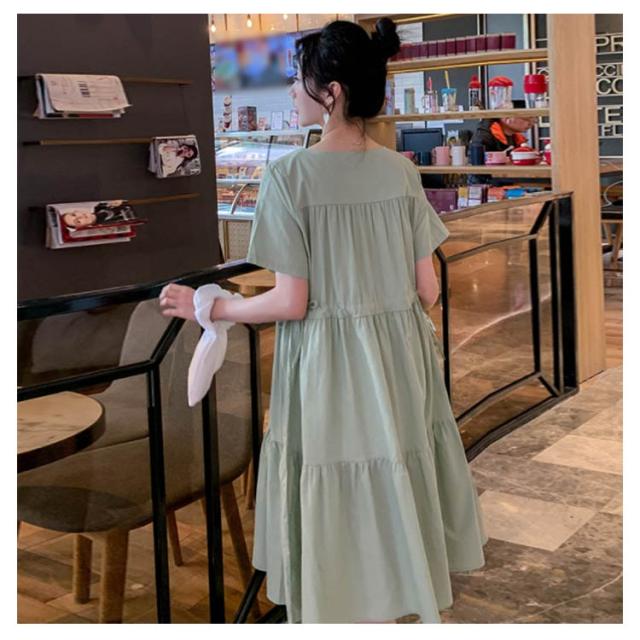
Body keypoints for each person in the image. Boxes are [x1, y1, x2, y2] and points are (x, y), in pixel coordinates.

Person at [159, 18, 487, 624]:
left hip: (327, 363)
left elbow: (291, 301)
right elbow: (428, 289)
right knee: (396, 467)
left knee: (333, 477)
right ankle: (395, 596)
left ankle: (340, 603)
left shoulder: (290, 175)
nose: (291, 91)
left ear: (330, 91)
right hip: (399, 356)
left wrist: (214, 306)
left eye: (298, 79)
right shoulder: (400, 170)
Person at [468, 113, 535, 184]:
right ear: (507, 118)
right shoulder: (483, 137)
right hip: (487, 186)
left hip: (506, 182)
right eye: (527, 119)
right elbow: (479, 174)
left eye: (533, 120)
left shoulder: (514, 136)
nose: (531, 124)